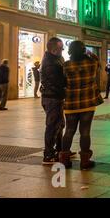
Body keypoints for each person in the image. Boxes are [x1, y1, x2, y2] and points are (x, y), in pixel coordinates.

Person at [59, 41, 101, 170]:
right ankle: (84, 161)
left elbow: (63, 81)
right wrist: (88, 52)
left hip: (71, 103)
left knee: (69, 131)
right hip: (88, 103)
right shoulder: (91, 63)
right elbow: (97, 59)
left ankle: (64, 160)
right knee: (85, 131)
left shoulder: (66, 65)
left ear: (70, 51)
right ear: (83, 51)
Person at [40, 37, 67, 165]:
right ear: (54, 49)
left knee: (59, 124)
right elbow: (58, 81)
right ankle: (48, 154)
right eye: (61, 48)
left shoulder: (56, 59)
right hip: (52, 98)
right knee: (52, 126)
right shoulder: (51, 63)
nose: (62, 50)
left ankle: (60, 150)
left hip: (55, 96)